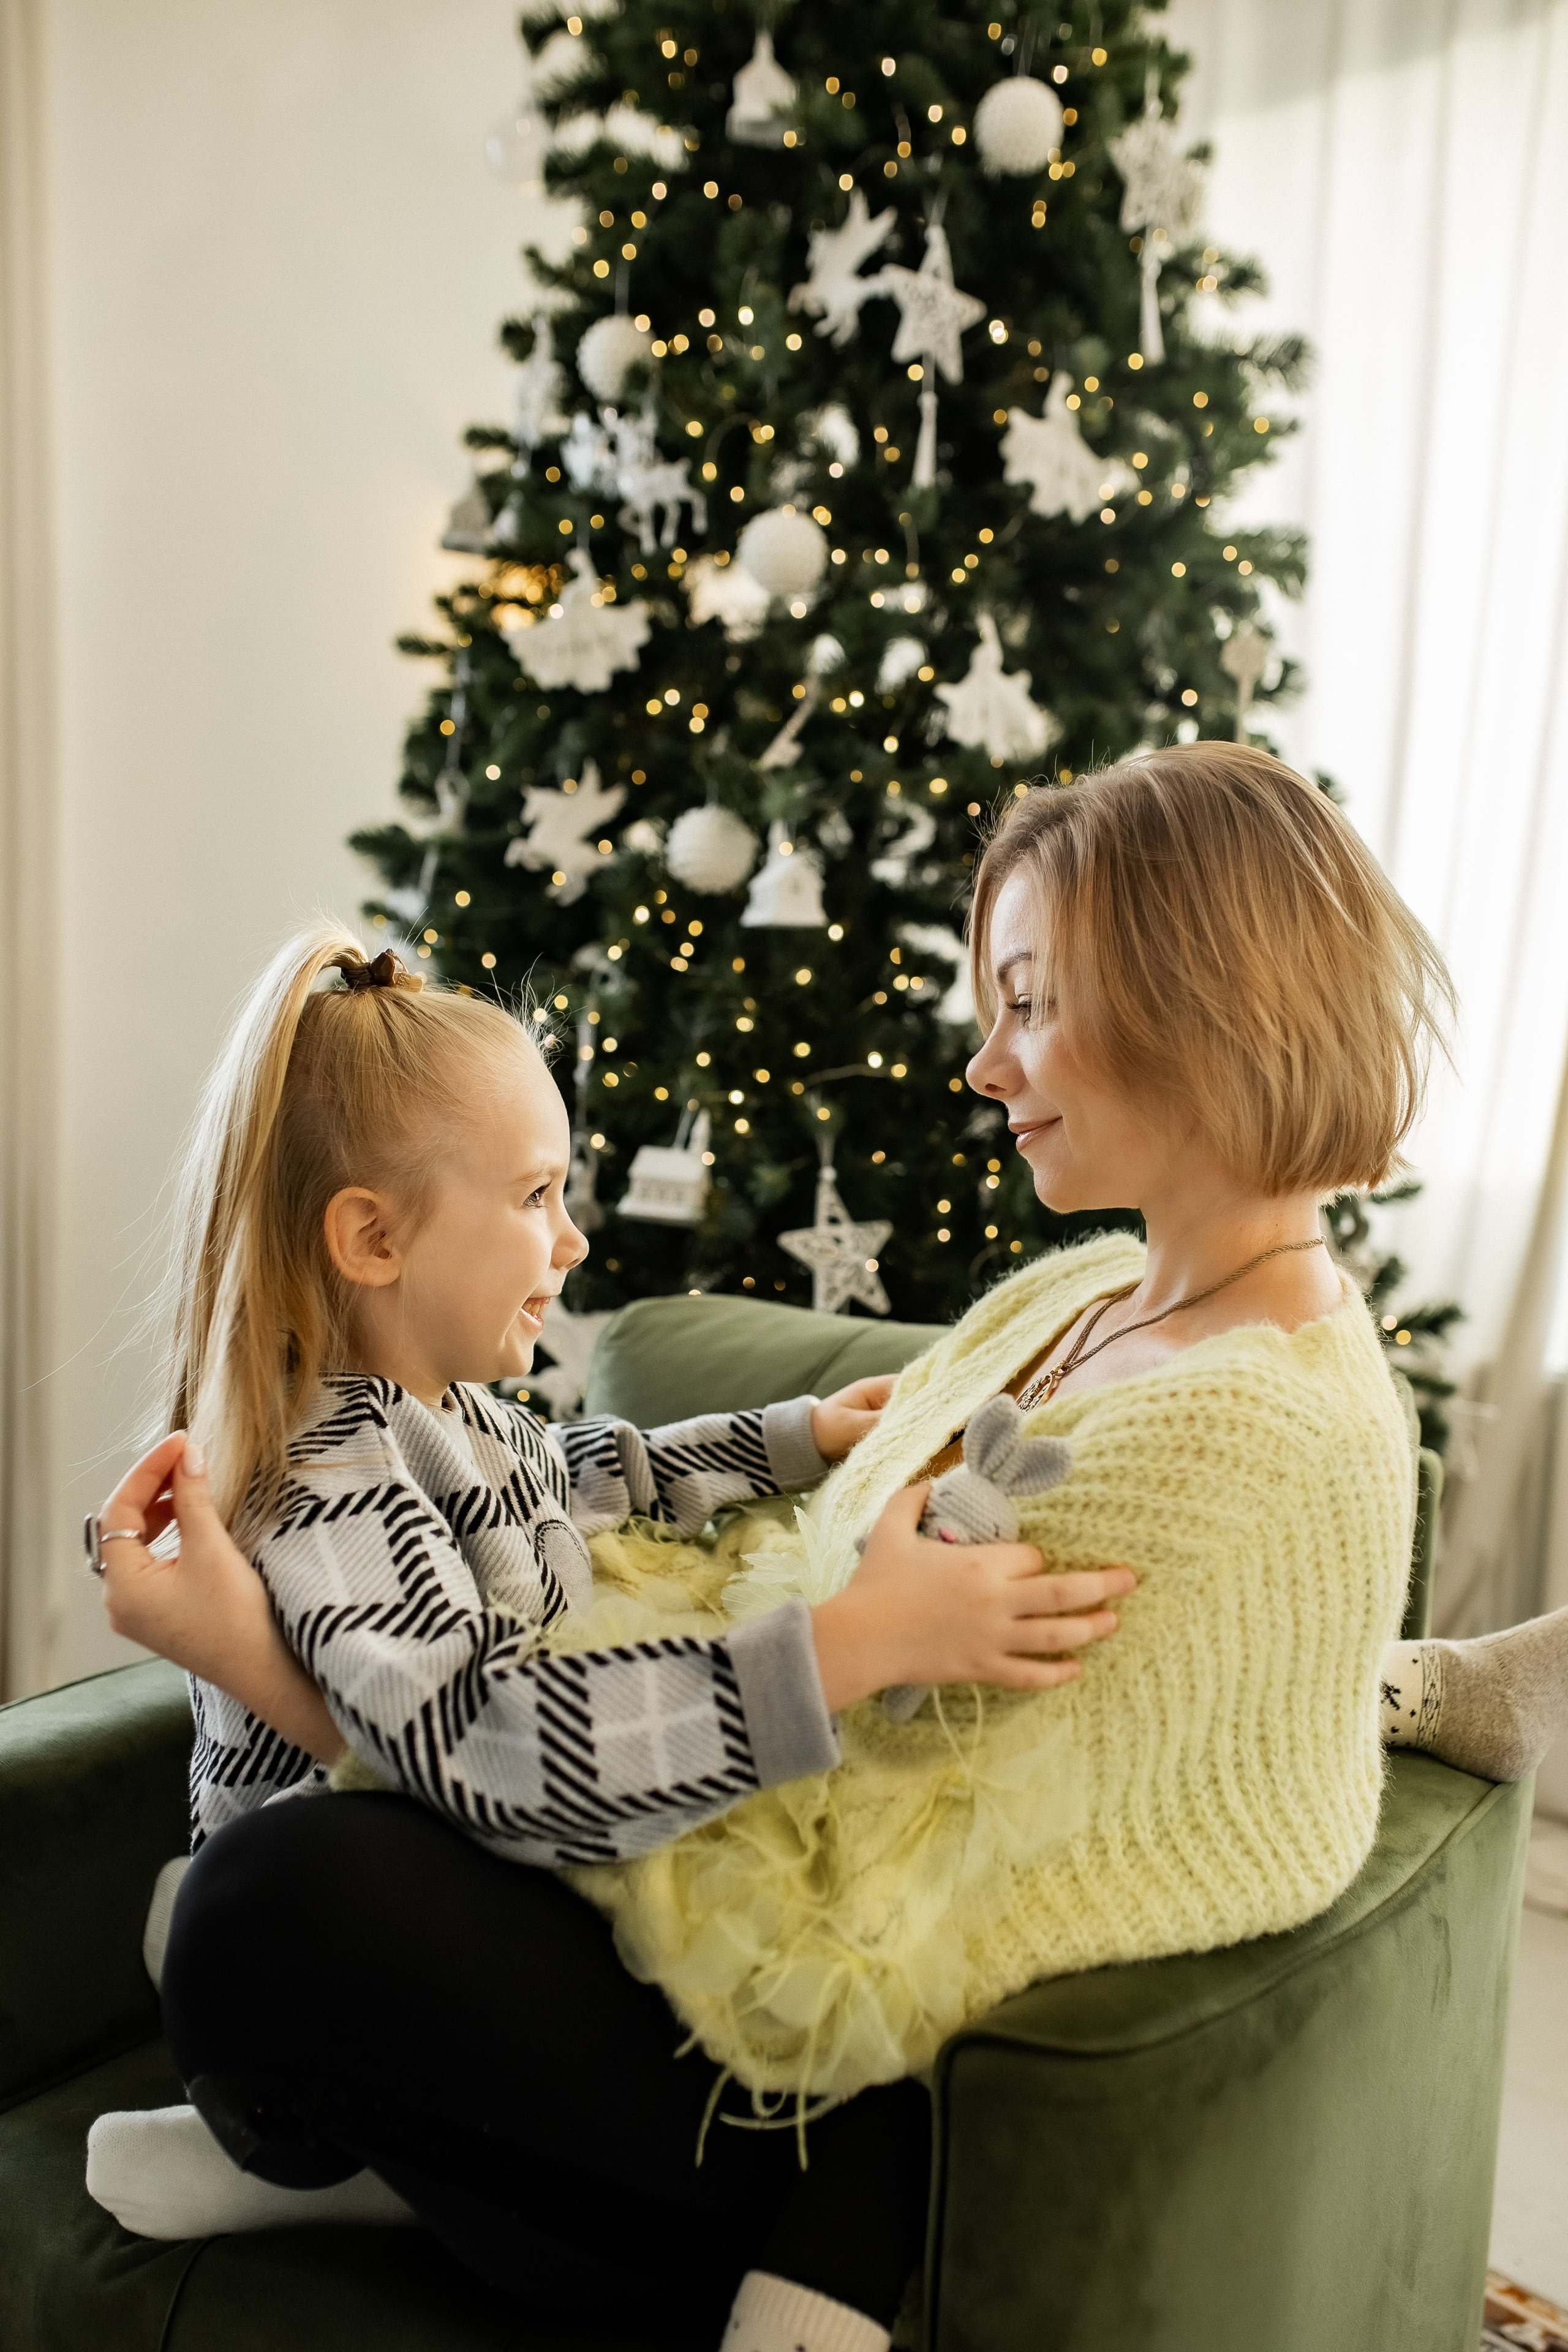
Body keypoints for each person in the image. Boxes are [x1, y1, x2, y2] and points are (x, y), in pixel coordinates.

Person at [92, 747, 1568, 2352]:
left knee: (267, 1907)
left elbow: (1019, 1792)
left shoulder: (1251, 1421)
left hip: (775, 2027)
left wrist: (270, 1670)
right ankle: (371, 2135)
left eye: (1027, 1003)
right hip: (672, 1834)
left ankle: (460, 2167)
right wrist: (803, 1492)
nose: (985, 1066)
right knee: (265, 1897)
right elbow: (759, 1562)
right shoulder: (1085, 1292)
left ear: (1203, 1003)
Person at [85, 919, 1131, 2351]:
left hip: (478, 1949)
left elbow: (592, 1472)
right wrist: (845, 1644)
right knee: (846, 2092)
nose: (572, 1239)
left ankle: (386, 2174)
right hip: (352, 1966)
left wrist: (794, 1438)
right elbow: (481, 1743)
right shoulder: (332, 1478)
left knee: (871, 1997)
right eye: (535, 1194)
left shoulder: (458, 1419)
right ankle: (329, 2148)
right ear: (372, 1239)